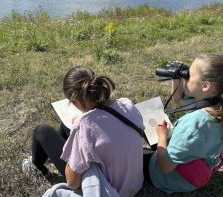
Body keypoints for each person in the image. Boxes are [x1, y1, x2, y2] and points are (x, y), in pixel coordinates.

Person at [25, 66, 145, 196]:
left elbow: (73, 183)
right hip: (135, 185)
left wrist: (80, 124)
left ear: (75, 100)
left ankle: (37, 168)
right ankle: (65, 152)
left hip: (108, 191)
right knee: (65, 126)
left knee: (42, 131)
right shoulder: (126, 104)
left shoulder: (85, 125)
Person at [143, 54, 223, 193]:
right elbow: (179, 99)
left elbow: (164, 167)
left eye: (190, 75)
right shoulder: (220, 107)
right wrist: (177, 77)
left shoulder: (194, 126)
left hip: (172, 178)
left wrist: (162, 135)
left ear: (205, 86)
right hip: (197, 170)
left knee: (133, 154)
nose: (186, 78)